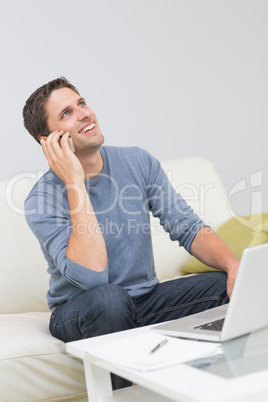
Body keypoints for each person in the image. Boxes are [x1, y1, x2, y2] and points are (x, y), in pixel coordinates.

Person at [23, 77, 239, 389]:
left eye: (82, 103)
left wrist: (233, 266)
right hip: (82, 310)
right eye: (67, 113)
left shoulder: (137, 161)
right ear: (49, 141)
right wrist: (74, 181)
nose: (84, 113)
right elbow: (93, 278)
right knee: (111, 300)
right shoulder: (40, 199)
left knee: (227, 286)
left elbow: (188, 227)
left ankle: (218, 389)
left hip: (146, 300)